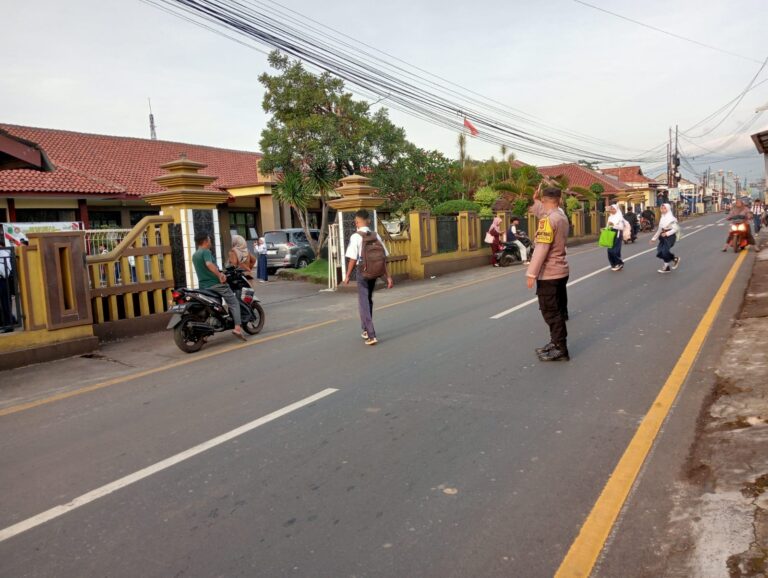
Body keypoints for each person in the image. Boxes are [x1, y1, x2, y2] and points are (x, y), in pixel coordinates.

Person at [527, 187, 570, 362]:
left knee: (551, 312)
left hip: (549, 273)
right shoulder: (561, 216)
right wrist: (536, 199)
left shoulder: (548, 221)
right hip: (561, 271)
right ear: (559, 200)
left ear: (545, 201)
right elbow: (542, 210)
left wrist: (531, 273)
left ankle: (560, 348)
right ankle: (555, 343)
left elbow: (541, 248)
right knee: (557, 310)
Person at [343, 209, 393, 346]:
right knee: (368, 300)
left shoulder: (356, 236)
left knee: (363, 302)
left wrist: (347, 276)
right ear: (369, 221)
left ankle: (371, 335)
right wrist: (388, 277)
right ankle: (365, 329)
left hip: (363, 272)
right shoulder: (376, 236)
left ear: (357, 222)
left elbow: (353, 259)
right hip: (375, 272)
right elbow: (383, 258)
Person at [192, 233, 246, 341]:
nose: (210, 242)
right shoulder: (205, 252)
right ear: (205, 241)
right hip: (215, 284)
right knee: (233, 302)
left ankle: (206, 334)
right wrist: (220, 275)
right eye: (209, 240)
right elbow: (209, 264)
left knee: (213, 308)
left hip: (203, 287)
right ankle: (237, 328)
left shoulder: (195, 255)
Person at [650, 203, 680, 274]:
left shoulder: (671, 218)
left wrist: (667, 233)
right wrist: (653, 239)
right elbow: (659, 229)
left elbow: (676, 229)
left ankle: (667, 266)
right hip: (663, 236)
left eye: (664, 208)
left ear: (668, 209)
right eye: (661, 208)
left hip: (670, 237)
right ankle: (673, 260)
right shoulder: (662, 218)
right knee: (660, 252)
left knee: (664, 251)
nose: (662, 210)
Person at [606, 204, 625, 271]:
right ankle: (613, 264)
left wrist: (613, 226)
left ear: (616, 209)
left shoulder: (619, 217)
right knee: (609, 250)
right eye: (611, 209)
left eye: (613, 209)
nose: (612, 210)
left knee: (615, 250)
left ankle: (619, 263)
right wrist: (605, 228)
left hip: (617, 234)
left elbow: (621, 227)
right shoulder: (610, 217)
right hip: (610, 234)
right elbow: (608, 225)